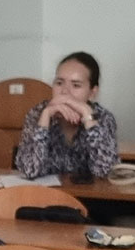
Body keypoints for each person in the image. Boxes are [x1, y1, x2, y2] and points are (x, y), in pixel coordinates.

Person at [15, 52, 119, 180]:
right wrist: (45, 118)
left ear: (92, 92)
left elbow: (106, 170)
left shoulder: (103, 118)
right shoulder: (37, 113)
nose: (64, 92)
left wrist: (87, 116)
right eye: (59, 83)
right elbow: (29, 170)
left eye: (76, 85)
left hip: (89, 193)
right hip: (46, 191)